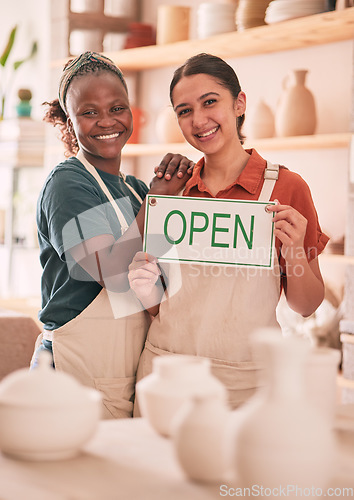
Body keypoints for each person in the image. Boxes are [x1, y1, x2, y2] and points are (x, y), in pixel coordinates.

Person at [128, 53, 329, 410]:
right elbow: (164, 307)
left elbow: (306, 305)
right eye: (184, 110)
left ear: (239, 104)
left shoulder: (287, 188)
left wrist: (295, 249)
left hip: (246, 385)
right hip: (165, 374)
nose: (199, 120)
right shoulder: (174, 191)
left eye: (210, 102)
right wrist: (146, 292)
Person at [30, 51, 194, 419]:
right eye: (89, 112)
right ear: (69, 122)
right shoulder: (67, 184)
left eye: (117, 107)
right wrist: (160, 200)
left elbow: (162, 286)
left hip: (123, 374)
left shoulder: (135, 190)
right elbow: (116, 276)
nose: (106, 121)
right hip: (70, 374)